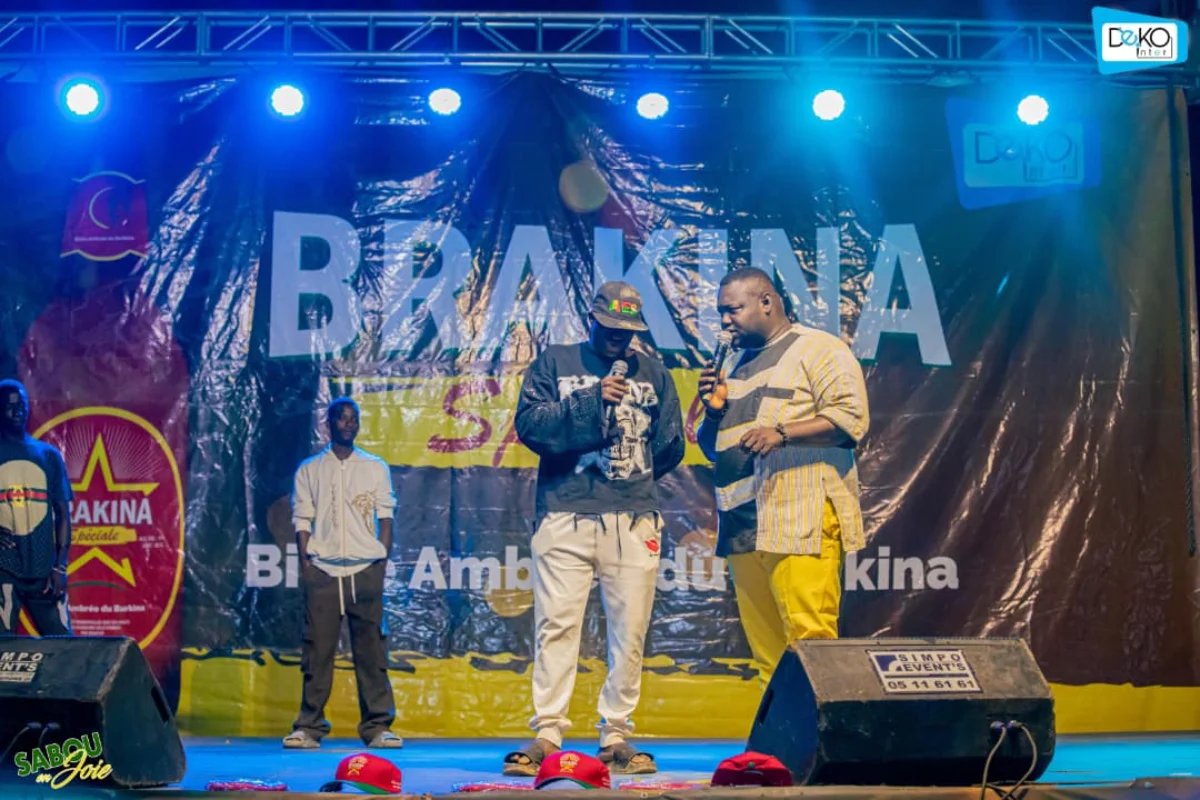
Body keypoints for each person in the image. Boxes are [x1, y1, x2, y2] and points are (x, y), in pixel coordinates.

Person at [504, 281, 685, 777]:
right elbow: (531, 426)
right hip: (565, 511)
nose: (617, 339)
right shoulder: (555, 362)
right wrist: (589, 400)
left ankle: (617, 733)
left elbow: (669, 445)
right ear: (593, 316)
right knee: (556, 623)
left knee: (630, 630)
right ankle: (547, 731)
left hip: (633, 514)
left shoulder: (655, 373)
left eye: (627, 331)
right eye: (610, 327)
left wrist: (632, 486)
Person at [696, 267, 869, 687]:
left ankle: (822, 752)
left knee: (810, 643)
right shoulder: (735, 367)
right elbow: (712, 449)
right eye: (720, 312)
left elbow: (851, 419)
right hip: (743, 525)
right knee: (768, 659)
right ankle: (779, 752)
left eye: (733, 309)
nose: (724, 321)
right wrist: (715, 412)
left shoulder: (818, 348)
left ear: (767, 302)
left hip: (798, 517)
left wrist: (783, 433)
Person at [283, 397, 403, 750]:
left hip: (365, 569)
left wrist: (381, 555)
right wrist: (307, 561)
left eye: (354, 419)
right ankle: (308, 726)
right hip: (322, 570)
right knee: (317, 652)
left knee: (371, 652)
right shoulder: (309, 469)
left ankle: (378, 726)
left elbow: (386, 512)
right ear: (329, 424)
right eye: (342, 419)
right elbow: (302, 516)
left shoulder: (375, 466)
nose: (349, 424)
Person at [0, 379, 74, 637]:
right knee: (3, 649)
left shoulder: (48, 455)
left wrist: (60, 567)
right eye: (9, 406)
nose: (18, 410)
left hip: (44, 570)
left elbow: (63, 515)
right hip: (4, 568)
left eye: (21, 404)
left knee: (65, 646)